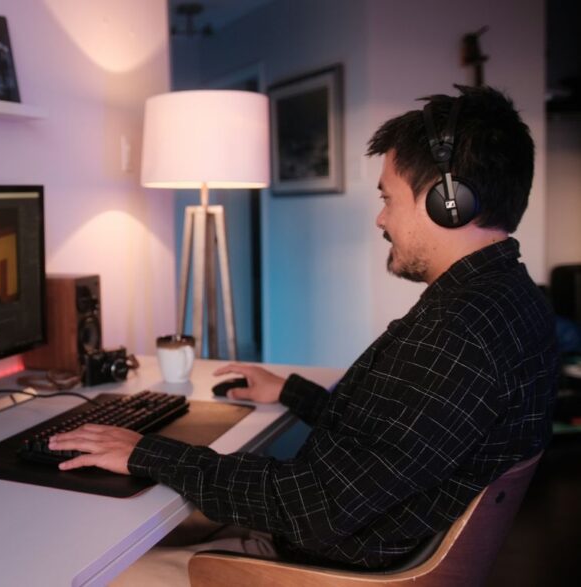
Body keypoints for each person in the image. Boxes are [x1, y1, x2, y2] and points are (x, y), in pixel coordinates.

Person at [49, 85, 557, 584]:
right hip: (368, 536)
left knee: (93, 566)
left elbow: (315, 505)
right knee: (146, 511)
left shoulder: (457, 333)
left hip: (327, 568)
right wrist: (290, 392)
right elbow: (395, 442)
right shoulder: (508, 300)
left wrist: (145, 450)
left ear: (449, 202)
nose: (381, 218)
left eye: (388, 198)